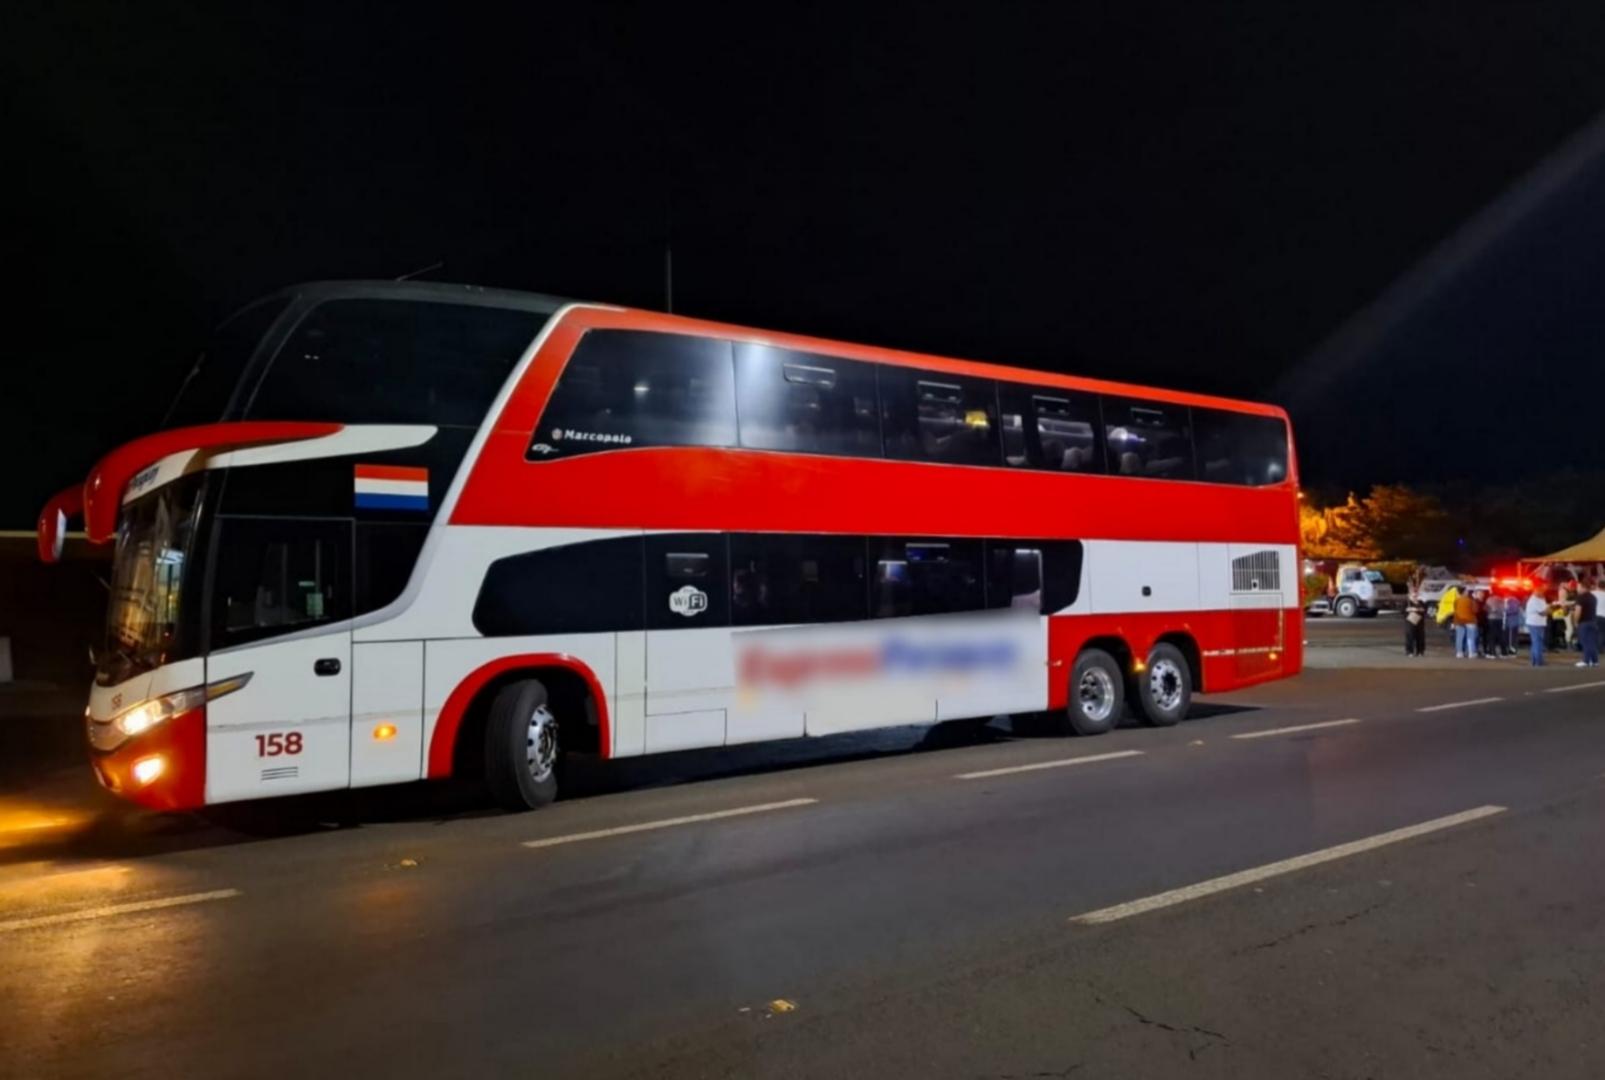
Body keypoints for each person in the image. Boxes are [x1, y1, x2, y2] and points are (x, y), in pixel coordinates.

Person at [1577, 582, 1600, 668]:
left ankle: (1586, 660)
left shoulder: (1581, 597)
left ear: (1583, 587)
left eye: (1579, 587)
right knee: (1591, 642)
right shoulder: (1593, 597)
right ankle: (1595, 661)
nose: (1577, 589)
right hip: (1593, 621)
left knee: (1585, 642)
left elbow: (1578, 611)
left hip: (1584, 622)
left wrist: (1576, 621)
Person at [1526, 586, 1550, 667]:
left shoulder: (1540, 598)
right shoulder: (1534, 600)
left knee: (1536, 642)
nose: (1543, 593)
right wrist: (1550, 607)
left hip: (1538, 623)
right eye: (1541, 591)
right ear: (1536, 591)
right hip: (1535, 623)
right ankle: (1538, 662)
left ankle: (1535, 661)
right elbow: (1543, 612)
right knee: (1537, 642)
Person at [1453, 586, 1478, 658]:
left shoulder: (1456, 601)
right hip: (1470, 620)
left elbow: (1455, 610)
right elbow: (1475, 610)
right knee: (1470, 637)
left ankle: (1459, 652)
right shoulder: (1470, 600)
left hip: (1459, 621)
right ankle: (1471, 652)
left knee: (1459, 637)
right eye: (1466, 591)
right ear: (1464, 592)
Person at [1404, 590, 1427, 657]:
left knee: (1420, 637)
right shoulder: (1407, 603)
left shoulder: (1421, 602)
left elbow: (1425, 610)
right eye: (1413, 596)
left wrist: (1419, 609)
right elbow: (1404, 610)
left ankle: (1420, 651)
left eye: (1416, 596)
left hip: (1420, 623)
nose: (1415, 597)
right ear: (1410, 596)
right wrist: (1411, 609)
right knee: (1410, 637)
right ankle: (1409, 651)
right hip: (1410, 623)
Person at [1504, 593, 1523, 657]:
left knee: (1511, 639)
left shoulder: (1511, 601)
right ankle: (1513, 652)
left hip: (1511, 623)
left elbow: (1513, 611)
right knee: (1513, 639)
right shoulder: (1516, 601)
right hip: (1515, 623)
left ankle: (1512, 652)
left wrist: (1505, 611)